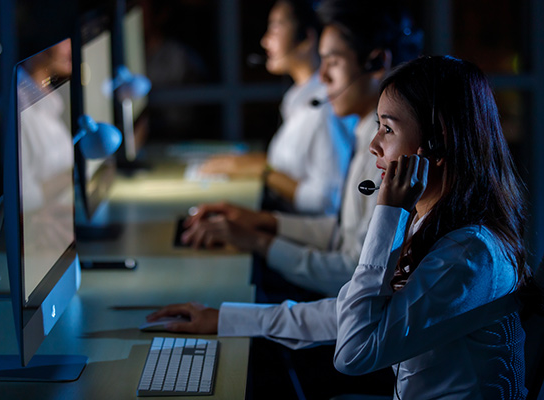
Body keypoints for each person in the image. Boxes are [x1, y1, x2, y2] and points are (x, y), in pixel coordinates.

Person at [147, 55, 532, 399]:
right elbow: (351, 312)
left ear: (436, 142)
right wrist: (227, 319)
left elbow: (354, 352)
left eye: (388, 129)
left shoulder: (467, 256)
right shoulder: (436, 224)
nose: (374, 147)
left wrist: (389, 212)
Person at [181, 0, 423, 300]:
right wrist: (261, 222)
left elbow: (353, 273)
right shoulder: (364, 136)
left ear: (376, 63)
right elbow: (343, 236)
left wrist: (259, 241)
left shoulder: (387, 155)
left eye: (332, 63)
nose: (321, 79)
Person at [198, 0, 346, 215]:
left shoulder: (324, 108)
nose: (265, 41)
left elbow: (326, 201)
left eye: (276, 27)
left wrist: (262, 171)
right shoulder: (299, 99)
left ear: (306, 38)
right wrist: (244, 164)